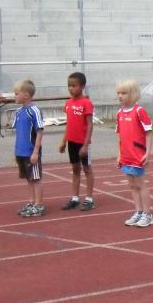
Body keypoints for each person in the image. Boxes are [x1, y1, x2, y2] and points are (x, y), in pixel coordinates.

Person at [116, 79, 153, 228]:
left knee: (140, 184)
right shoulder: (119, 113)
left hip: (137, 155)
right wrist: (119, 154)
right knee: (131, 184)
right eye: (118, 93)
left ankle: (147, 214)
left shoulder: (139, 111)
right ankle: (138, 211)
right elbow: (120, 136)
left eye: (123, 93)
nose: (120, 96)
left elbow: (148, 133)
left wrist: (147, 153)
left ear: (133, 94)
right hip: (126, 156)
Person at [58, 71, 95, 211]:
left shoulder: (86, 103)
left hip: (83, 143)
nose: (71, 88)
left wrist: (85, 145)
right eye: (69, 85)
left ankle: (89, 199)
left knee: (87, 169)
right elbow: (69, 124)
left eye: (74, 86)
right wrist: (63, 141)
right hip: (71, 142)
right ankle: (74, 198)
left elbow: (90, 125)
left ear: (82, 86)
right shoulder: (68, 103)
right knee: (75, 169)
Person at [14, 80, 45, 218]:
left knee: (36, 178)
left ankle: (39, 205)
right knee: (29, 178)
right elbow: (20, 132)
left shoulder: (34, 111)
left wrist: (36, 152)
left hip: (31, 152)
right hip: (21, 152)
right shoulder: (19, 111)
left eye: (16, 93)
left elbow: (39, 131)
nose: (14, 96)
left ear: (26, 95)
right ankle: (32, 202)